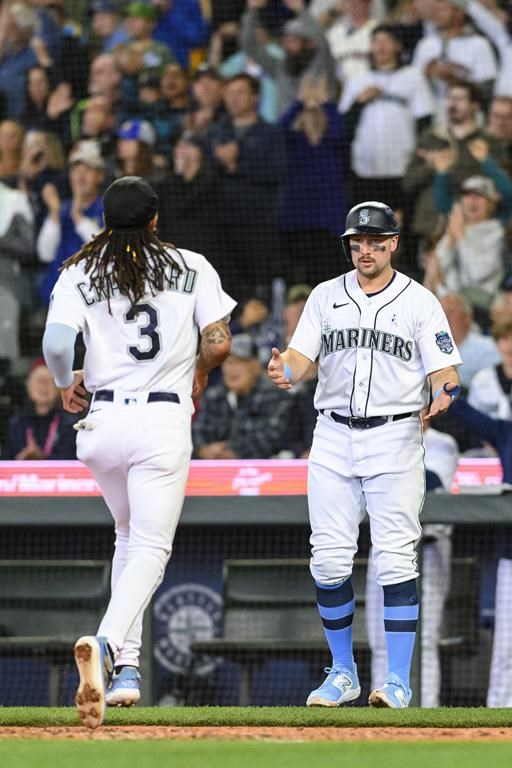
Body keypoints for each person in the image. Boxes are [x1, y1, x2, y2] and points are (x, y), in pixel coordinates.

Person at [42, 176, 236, 729]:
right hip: (160, 419)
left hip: (101, 422)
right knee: (152, 546)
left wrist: (63, 382)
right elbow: (219, 342)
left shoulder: (81, 269)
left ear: (106, 221)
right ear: (155, 220)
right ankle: (105, 645)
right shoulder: (191, 264)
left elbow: (56, 345)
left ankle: (126, 669)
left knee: (127, 537)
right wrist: (197, 369)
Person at [267, 201, 462, 708]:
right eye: (358, 242)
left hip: (395, 438)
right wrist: (285, 368)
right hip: (332, 435)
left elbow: (445, 368)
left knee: (395, 561)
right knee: (329, 561)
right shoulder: (326, 296)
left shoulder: (420, 302)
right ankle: (343, 672)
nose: (366, 250)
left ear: (394, 243)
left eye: (376, 241)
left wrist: (445, 391)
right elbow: (300, 357)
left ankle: (397, 681)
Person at [366, 410, 459, 707]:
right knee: (379, 641)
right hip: (383, 544)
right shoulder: (373, 436)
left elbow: (430, 480)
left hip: (429, 549)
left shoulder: (442, 443)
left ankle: (426, 710)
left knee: (427, 638)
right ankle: (380, 707)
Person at [449, 396, 512, 707]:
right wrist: (447, 385)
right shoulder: (505, 432)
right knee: (506, 647)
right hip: (511, 557)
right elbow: (464, 412)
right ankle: (500, 715)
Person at [192, 333, 293, 460]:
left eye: (239, 362)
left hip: (261, 470)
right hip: (213, 470)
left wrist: (236, 453)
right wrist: (203, 449)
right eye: (228, 363)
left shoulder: (275, 396)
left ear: (256, 366)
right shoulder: (213, 396)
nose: (232, 369)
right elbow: (197, 430)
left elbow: (273, 436)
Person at [2, 357, 77, 460]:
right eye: (38, 380)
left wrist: (42, 459)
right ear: (28, 385)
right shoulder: (17, 423)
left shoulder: (70, 424)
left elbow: (73, 462)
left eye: (48, 381)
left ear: (59, 388)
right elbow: (6, 460)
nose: (43, 387)